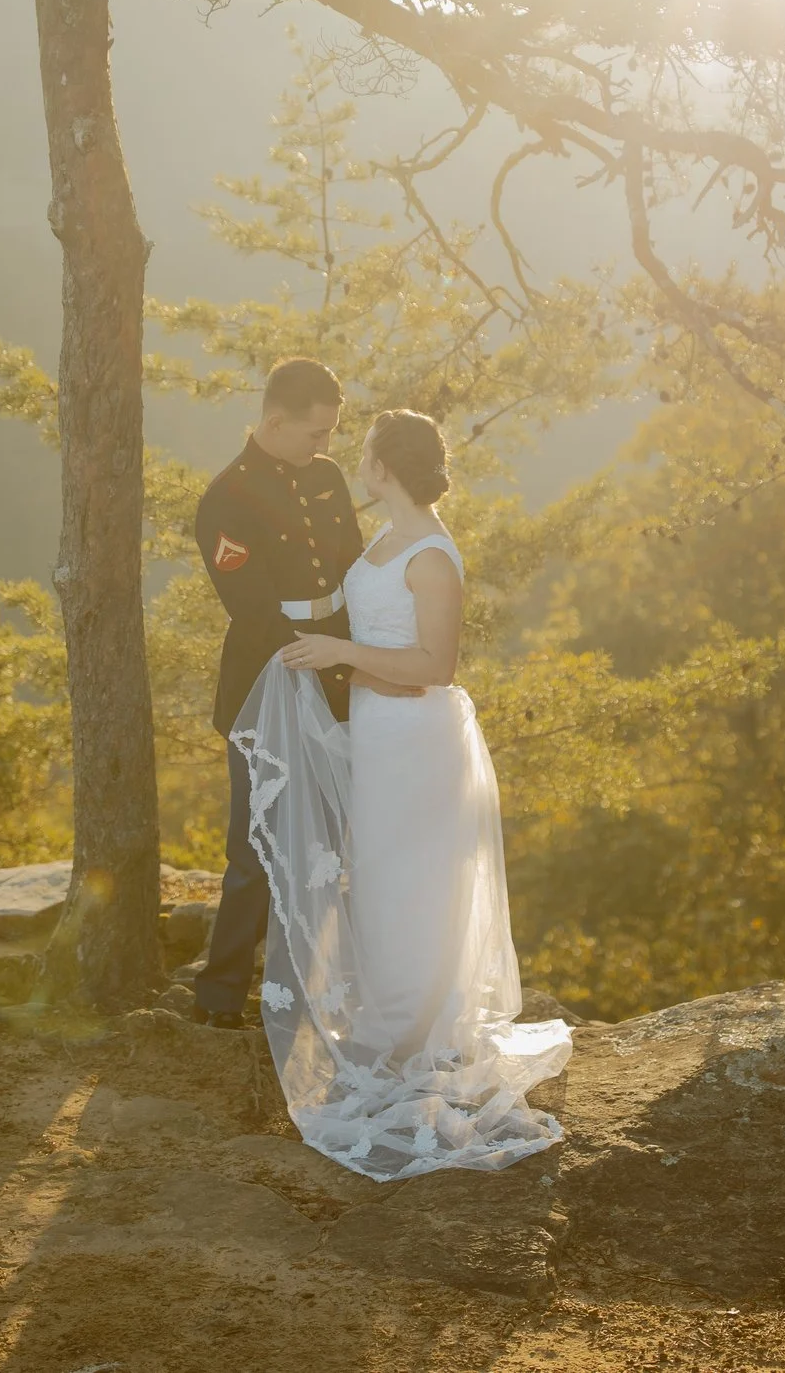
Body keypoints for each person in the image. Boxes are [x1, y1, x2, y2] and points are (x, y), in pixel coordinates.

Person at [232, 407, 572, 1180]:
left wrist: (340, 652)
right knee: (378, 875)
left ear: (386, 466)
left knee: (411, 880)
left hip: (418, 738)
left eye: (365, 452)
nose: (356, 460)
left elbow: (435, 665)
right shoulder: (382, 536)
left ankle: (413, 1034)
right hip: (376, 732)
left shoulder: (431, 556)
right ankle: (393, 1022)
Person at [189, 357, 394, 1027]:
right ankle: (220, 996)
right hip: (266, 678)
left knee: (334, 836)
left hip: (338, 661)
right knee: (254, 845)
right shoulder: (225, 498)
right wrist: (322, 664)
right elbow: (251, 610)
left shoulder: (327, 476)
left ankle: (320, 985)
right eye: (316, 432)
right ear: (275, 421)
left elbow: (352, 567)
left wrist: (359, 659)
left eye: (332, 434)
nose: (326, 447)